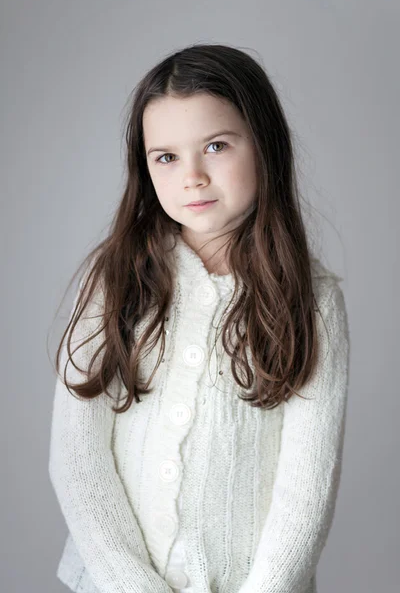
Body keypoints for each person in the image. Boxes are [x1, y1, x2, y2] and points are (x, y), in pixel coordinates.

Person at [48, 43, 350, 593]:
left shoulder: (311, 299)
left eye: (215, 146)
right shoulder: (115, 276)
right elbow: (77, 460)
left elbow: (306, 488)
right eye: (165, 156)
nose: (191, 176)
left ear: (263, 146)